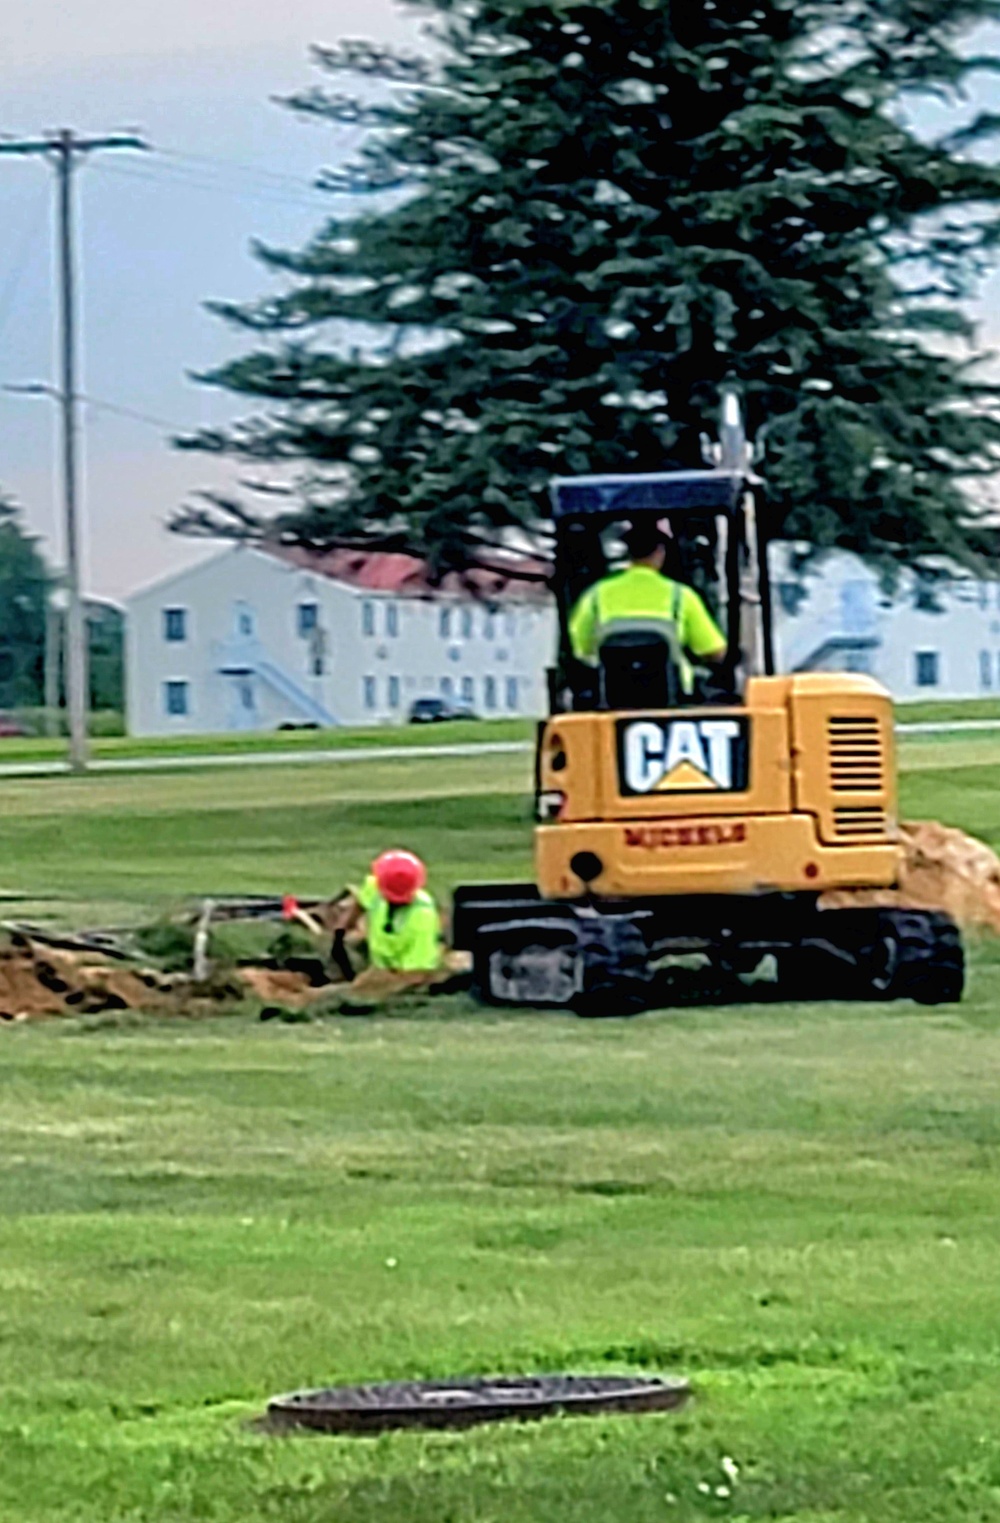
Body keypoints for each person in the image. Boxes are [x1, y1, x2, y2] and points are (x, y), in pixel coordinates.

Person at [568, 519, 727, 689]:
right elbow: (715, 652)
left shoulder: (595, 596)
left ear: (628, 553)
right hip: (673, 694)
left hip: (611, 693)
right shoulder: (681, 596)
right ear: (660, 552)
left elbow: (577, 648)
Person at [351, 849, 442, 973]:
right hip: (376, 964)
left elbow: (416, 974)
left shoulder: (423, 917)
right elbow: (360, 903)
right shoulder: (376, 886)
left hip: (400, 977)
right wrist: (340, 933)